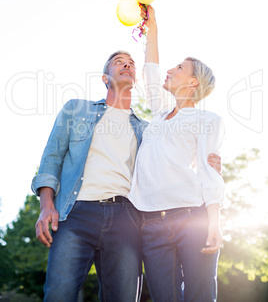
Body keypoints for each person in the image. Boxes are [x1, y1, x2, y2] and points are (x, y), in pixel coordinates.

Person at [32, 49, 222, 302]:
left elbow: (169, 160)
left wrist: (209, 162)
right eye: (118, 62)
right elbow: (52, 157)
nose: (127, 65)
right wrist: (46, 205)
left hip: (127, 220)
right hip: (76, 215)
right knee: (59, 294)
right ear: (105, 78)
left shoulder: (147, 129)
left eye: (131, 63)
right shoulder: (77, 110)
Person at [128, 5, 225, 302]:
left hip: (190, 217)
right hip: (151, 223)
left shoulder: (208, 120)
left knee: (199, 296)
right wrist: (152, 26)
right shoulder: (158, 113)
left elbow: (209, 174)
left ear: (193, 82)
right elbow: (152, 71)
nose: (171, 70)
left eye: (180, 68)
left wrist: (214, 223)